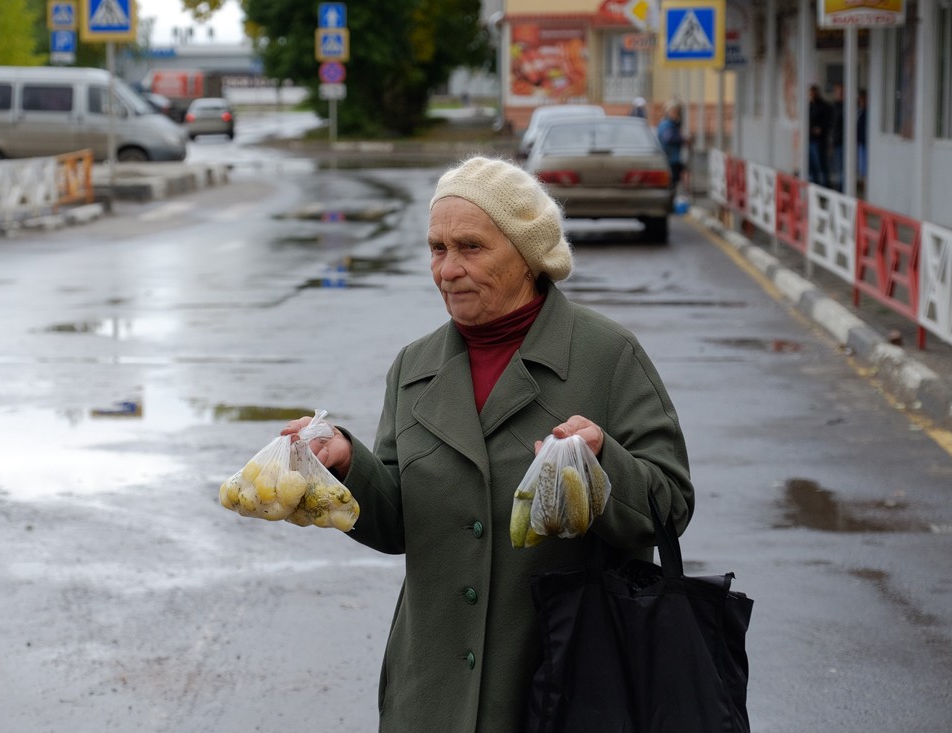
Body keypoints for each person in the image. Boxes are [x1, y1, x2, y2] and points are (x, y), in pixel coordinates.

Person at [280, 156, 695, 732]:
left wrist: (603, 463)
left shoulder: (607, 356)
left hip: (568, 686)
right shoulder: (414, 367)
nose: (448, 269)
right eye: (437, 248)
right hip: (433, 697)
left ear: (528, 255)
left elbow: (669, 505)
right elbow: (399, 523)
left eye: (470, 247)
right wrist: (347, 463)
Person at [656, 99, 689, 197]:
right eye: (674, 111)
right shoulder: (667, 124)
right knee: (672, 181)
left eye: (677, 112)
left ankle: (674, 199)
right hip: (670, 157)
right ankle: (671, 201)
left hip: (673, 157)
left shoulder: (671, 124)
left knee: (676, 179)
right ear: (668, 111)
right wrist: (683, 139)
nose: (676, 114)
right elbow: (669, 138)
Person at [807, 84, 831, 187]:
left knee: (821, 165)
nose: (812, 95)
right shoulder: (809, 106)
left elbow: (828, 122)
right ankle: (815, 186)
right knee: (812, 166)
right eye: (810, 93)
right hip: (809, 139)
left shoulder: (823, 106)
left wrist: (820, 129)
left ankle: (824, 187)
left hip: (819, 141)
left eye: (813, 93)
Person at [827, 83, 845, 190]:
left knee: (845, 169)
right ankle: (839, 191)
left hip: (847, 143)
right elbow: (831, 126)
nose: (840, 94)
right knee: (837, 169)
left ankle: (843, 191)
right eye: (838, 92)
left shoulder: (849, 106)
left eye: (842, 92)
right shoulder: (833, 107)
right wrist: (830, 143)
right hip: (837, 142)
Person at [856, 88, 868, 183]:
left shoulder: (868, 112)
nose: (861, 101)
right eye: (860, 99)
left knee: (866, 168)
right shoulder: (859, 111)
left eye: (863, 99)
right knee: (862, 169)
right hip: (861, 143)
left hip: (867, 144)